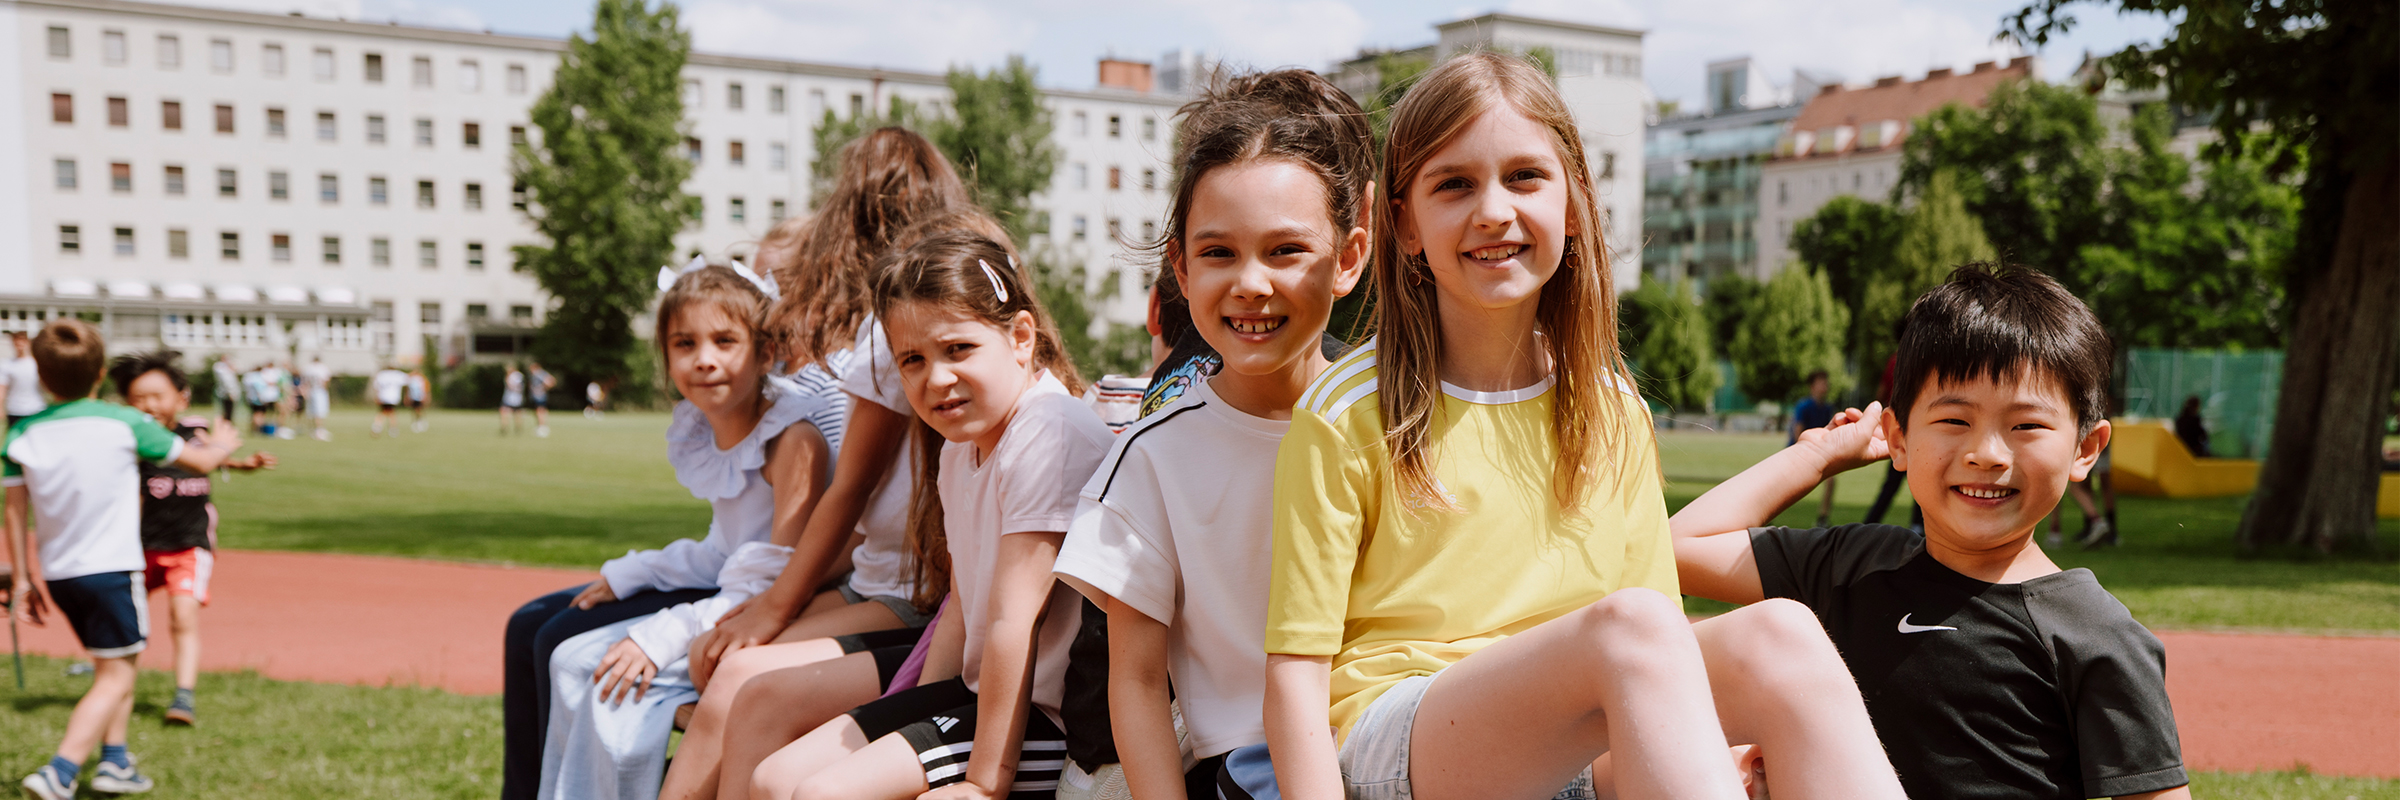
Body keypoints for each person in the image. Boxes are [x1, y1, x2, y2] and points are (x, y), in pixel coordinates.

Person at [1263, 52, 1903, 800]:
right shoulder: (1347, 412)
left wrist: (1712, 748)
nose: (1494, 210)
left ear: (1572, 205)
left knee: (1783, 633)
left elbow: (1663, 631)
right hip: (1404, 740)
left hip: (1582, 738)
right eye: (1454, 184)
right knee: (1627, 629)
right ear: (1404, 223)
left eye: (1525, 177)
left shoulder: (1610, 407)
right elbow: (1294, 676)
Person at [1671, 264, 2190, 800]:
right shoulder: (1853, 564)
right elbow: (1677, 547)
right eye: (1954, 421)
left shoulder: (2095, 634)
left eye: (2026, 426)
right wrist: (1816, 456)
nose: (1985, 454)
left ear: (2085, 448)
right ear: (1898, 437)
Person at [1051, 67, 1372, 800]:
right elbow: (1133, 681)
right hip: (1245, 769)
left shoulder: (1396, 416)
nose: (1250, 284)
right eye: (1220, 252)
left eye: (1285, 251)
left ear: (1348, 258)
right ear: (1181, 268)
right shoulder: (1153, 456)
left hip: (1398, 742)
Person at [659, 128, 973, 800]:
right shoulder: (895, 327)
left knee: (741, 678)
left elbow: (850, 492)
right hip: (886, 586)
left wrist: (771, 610)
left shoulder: (902, 330)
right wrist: (764, 608)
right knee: (723, 661)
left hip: (913, 601)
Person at [744, 229, 1110, 800]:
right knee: (774, 778)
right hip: (977, 698)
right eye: (911, 360)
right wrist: (918, 719)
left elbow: (1016, 622)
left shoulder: (1049, 431)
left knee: (824, 794)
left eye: (958, 349)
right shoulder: (960, 449)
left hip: (1048, 721)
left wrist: (984, 786)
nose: (936, 378)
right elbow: (962, 609)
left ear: (1019, 337)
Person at [534, 261, 859, 800]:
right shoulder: (717, 428)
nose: (704, 360)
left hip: (780, 617)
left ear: (765, 351)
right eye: (685, 343)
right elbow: (723, 550)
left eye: (725, 341)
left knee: (595, 672)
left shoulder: (792, 439)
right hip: (736, 604)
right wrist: (636, 573)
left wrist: (661, 636)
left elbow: (775, 577)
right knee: (567, 657)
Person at [7, 321, 244, 799]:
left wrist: (21, 581)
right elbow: (197, 463)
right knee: (116, 676)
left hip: (59, 575)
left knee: (113, 664)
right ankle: (61, 771)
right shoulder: (124, 422)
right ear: (99, 373)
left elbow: (13, 513)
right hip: (112, 569)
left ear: (42, 378)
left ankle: (115, 762)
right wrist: (222, 444)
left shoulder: (21, 434)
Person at [107, 351, 277, 727]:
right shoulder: (133, 442)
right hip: (140, 547)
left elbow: (207, 456)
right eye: (138, 398)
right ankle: (108, 674)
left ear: (181, 398)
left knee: (183, 616)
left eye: (157, 396)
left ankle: (184, 695)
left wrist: (240, 464)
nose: (149, 405)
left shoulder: (195, 434)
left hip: (188, 545)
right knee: (122, 618)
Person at [1790, 369, 1838, 527]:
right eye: (1821, 382)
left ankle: (1822, 518)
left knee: (1831, 481)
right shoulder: (1803, 406)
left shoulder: (1826, 408)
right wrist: (1803, 452)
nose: (1825, 385)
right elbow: (1798, 431)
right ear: (1812, 386)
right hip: (1798, 452)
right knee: (1787, 488)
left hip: (1817, 452)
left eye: (1826, 382)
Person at [3, 331, 47, 427]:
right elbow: (2, 389)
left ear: (28, 343)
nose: (19, 344)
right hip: (14, 409)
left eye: (22, 341)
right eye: (17, 341)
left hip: (36, 407)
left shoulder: (37, 364)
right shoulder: (6, 365)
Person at [300, 356, 333, 441]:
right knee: (319, 412)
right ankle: (319, 430)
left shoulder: (308, 368)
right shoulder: (322, 368)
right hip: (319, 391)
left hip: (311, 390)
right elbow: (325, 380)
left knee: (311, 412)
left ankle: (313, 430)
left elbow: (305, 381)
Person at [372, 365, 410, 438]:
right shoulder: (398, 374)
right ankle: (392, 429)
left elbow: (376, 386)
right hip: (393, 397)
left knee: (383, 411)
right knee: (392, 412)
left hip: (383, 396)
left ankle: (377, 426)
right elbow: (408, 380)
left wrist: (377, 396)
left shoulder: (381, 374)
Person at [529, 360, 557, 438]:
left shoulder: (539, 374)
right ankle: (540, 426)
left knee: (540, 410)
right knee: (538, 411)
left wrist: (543, 388)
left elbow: (551, 381)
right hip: (536, 396)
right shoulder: (535, 374)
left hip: (540, 396)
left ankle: (542, 427)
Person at [210, 354, 240, 424]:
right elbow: (227, 382)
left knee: (228, 411)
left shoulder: (225, 369)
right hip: (227, 393)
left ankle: (226, 425)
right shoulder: (222, 369)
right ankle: (226, 426)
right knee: (228, 411)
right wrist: (231, 393)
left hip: (227, 392)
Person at [502, 363, 526, 436]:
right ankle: (504, 427)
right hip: (509, 397)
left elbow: (515, 386)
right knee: (504, 411)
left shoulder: (517, 376)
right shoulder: (511, 376)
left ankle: (517, 427)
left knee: (516, 413)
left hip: (515, 398)